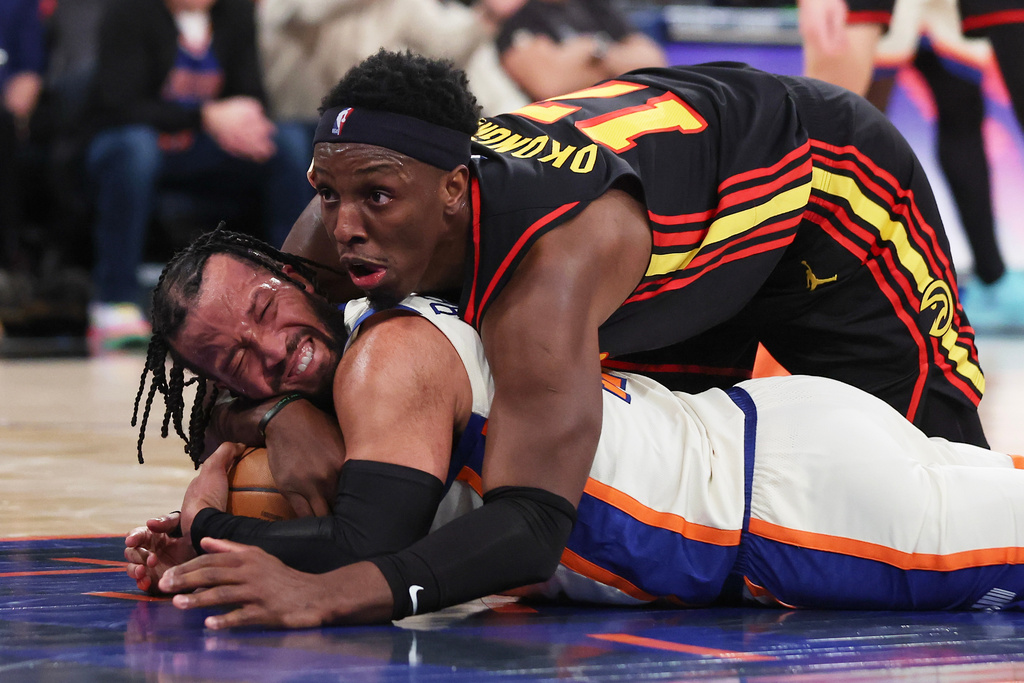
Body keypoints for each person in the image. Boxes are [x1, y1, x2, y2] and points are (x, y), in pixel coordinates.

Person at [174, 52, 990, 624]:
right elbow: (223, 363)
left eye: (373, 200)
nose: (342, 224)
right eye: (328, 195)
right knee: (665, 474)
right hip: (675, 214)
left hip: (826, 191)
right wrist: (278, 413)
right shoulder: (349, 201)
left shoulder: (545, 272)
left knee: (936, 482)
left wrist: (335, 591)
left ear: (453, 191)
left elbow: (531, 527)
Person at [125, 230, 1024, 629]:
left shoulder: (385, 358)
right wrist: (252, 429)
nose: (269, 351)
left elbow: (369, 544)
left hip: (786, 509)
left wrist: (206, 528)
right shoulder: (351, 346)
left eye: (268, 309)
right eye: (231, 358)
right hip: (766, 446)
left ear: (296, 269)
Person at [82, 0, 314, 355]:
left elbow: (250, 95)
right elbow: (121, 104)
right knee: (135, 150)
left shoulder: (235, 12)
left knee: (286, 143)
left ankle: (296, 285)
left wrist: (241, 123)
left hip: (203, 148)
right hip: (133, 143)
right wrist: (205, 116)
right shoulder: (127, 12)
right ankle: (114, 301)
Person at [257, 0, 528, 123]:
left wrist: (489, 15)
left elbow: (444, 51)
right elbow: (307, 12)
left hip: (365, 114)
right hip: (298, 116)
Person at [493, 0, 667, 101]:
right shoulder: (519, 14)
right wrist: (615, 64)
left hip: (619, 117)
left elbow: (654, 63)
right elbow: (549, 86)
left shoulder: (595, 6)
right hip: (560, 132)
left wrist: (596, 51)